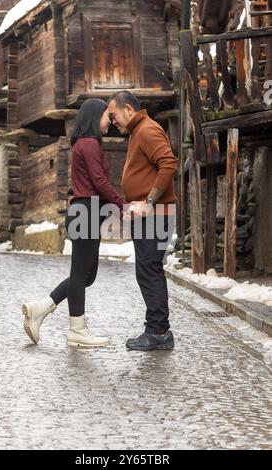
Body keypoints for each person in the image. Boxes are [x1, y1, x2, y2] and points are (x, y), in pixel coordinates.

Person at [22, 98, 125, 347]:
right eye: (106, 116)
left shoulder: (83, 143)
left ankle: (40, 308)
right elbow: (99, 182)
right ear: (93, 116)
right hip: (86, 211)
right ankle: (76, 330)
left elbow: (91, 181)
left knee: (86, 276)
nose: (110, 122)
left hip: (86, 211)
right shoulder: (88, 143)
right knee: (81, 275)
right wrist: (123, 205)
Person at [108, 91, 178, 351]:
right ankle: (156, 329)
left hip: (155, 214)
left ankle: (159, 332)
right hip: (147, 216)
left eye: (114, 115)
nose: (112, 121)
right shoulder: (139, 131)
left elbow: (169, 164)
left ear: (128, 109)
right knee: (147, 270)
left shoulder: (147, 130)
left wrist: (148, 202)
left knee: (149, 271)